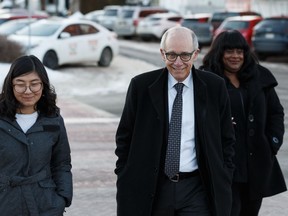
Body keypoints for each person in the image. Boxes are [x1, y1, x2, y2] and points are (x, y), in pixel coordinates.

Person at [115, 26, 235, 216]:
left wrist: (225, 174)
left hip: (198, 189)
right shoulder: (141, 86)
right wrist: (124, 173)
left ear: (195, 54)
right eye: (171, 55)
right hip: (152, 188)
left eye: (185, 55)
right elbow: (124, 136)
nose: (178, 62)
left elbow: (227, 138)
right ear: (162, 54)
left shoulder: (214, 87)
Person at [199, 30, 287, 216]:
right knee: (229, 210)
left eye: (240, 51)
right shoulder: (206, 80)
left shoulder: (259, 76)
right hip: (224, 164)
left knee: (250, 212)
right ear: (219, 53)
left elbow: (276, 112)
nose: (235, 56)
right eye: (229, 51)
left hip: (256, 163)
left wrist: (273, 142)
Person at [0, 55, 73, 215]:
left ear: (43, 85)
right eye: (20, 84)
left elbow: (61, 164)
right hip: (5, 203)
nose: (28, 91)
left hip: (45, 204)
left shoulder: (53, 120)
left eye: (34, 84)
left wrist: (62, 198)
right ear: (11, 85)